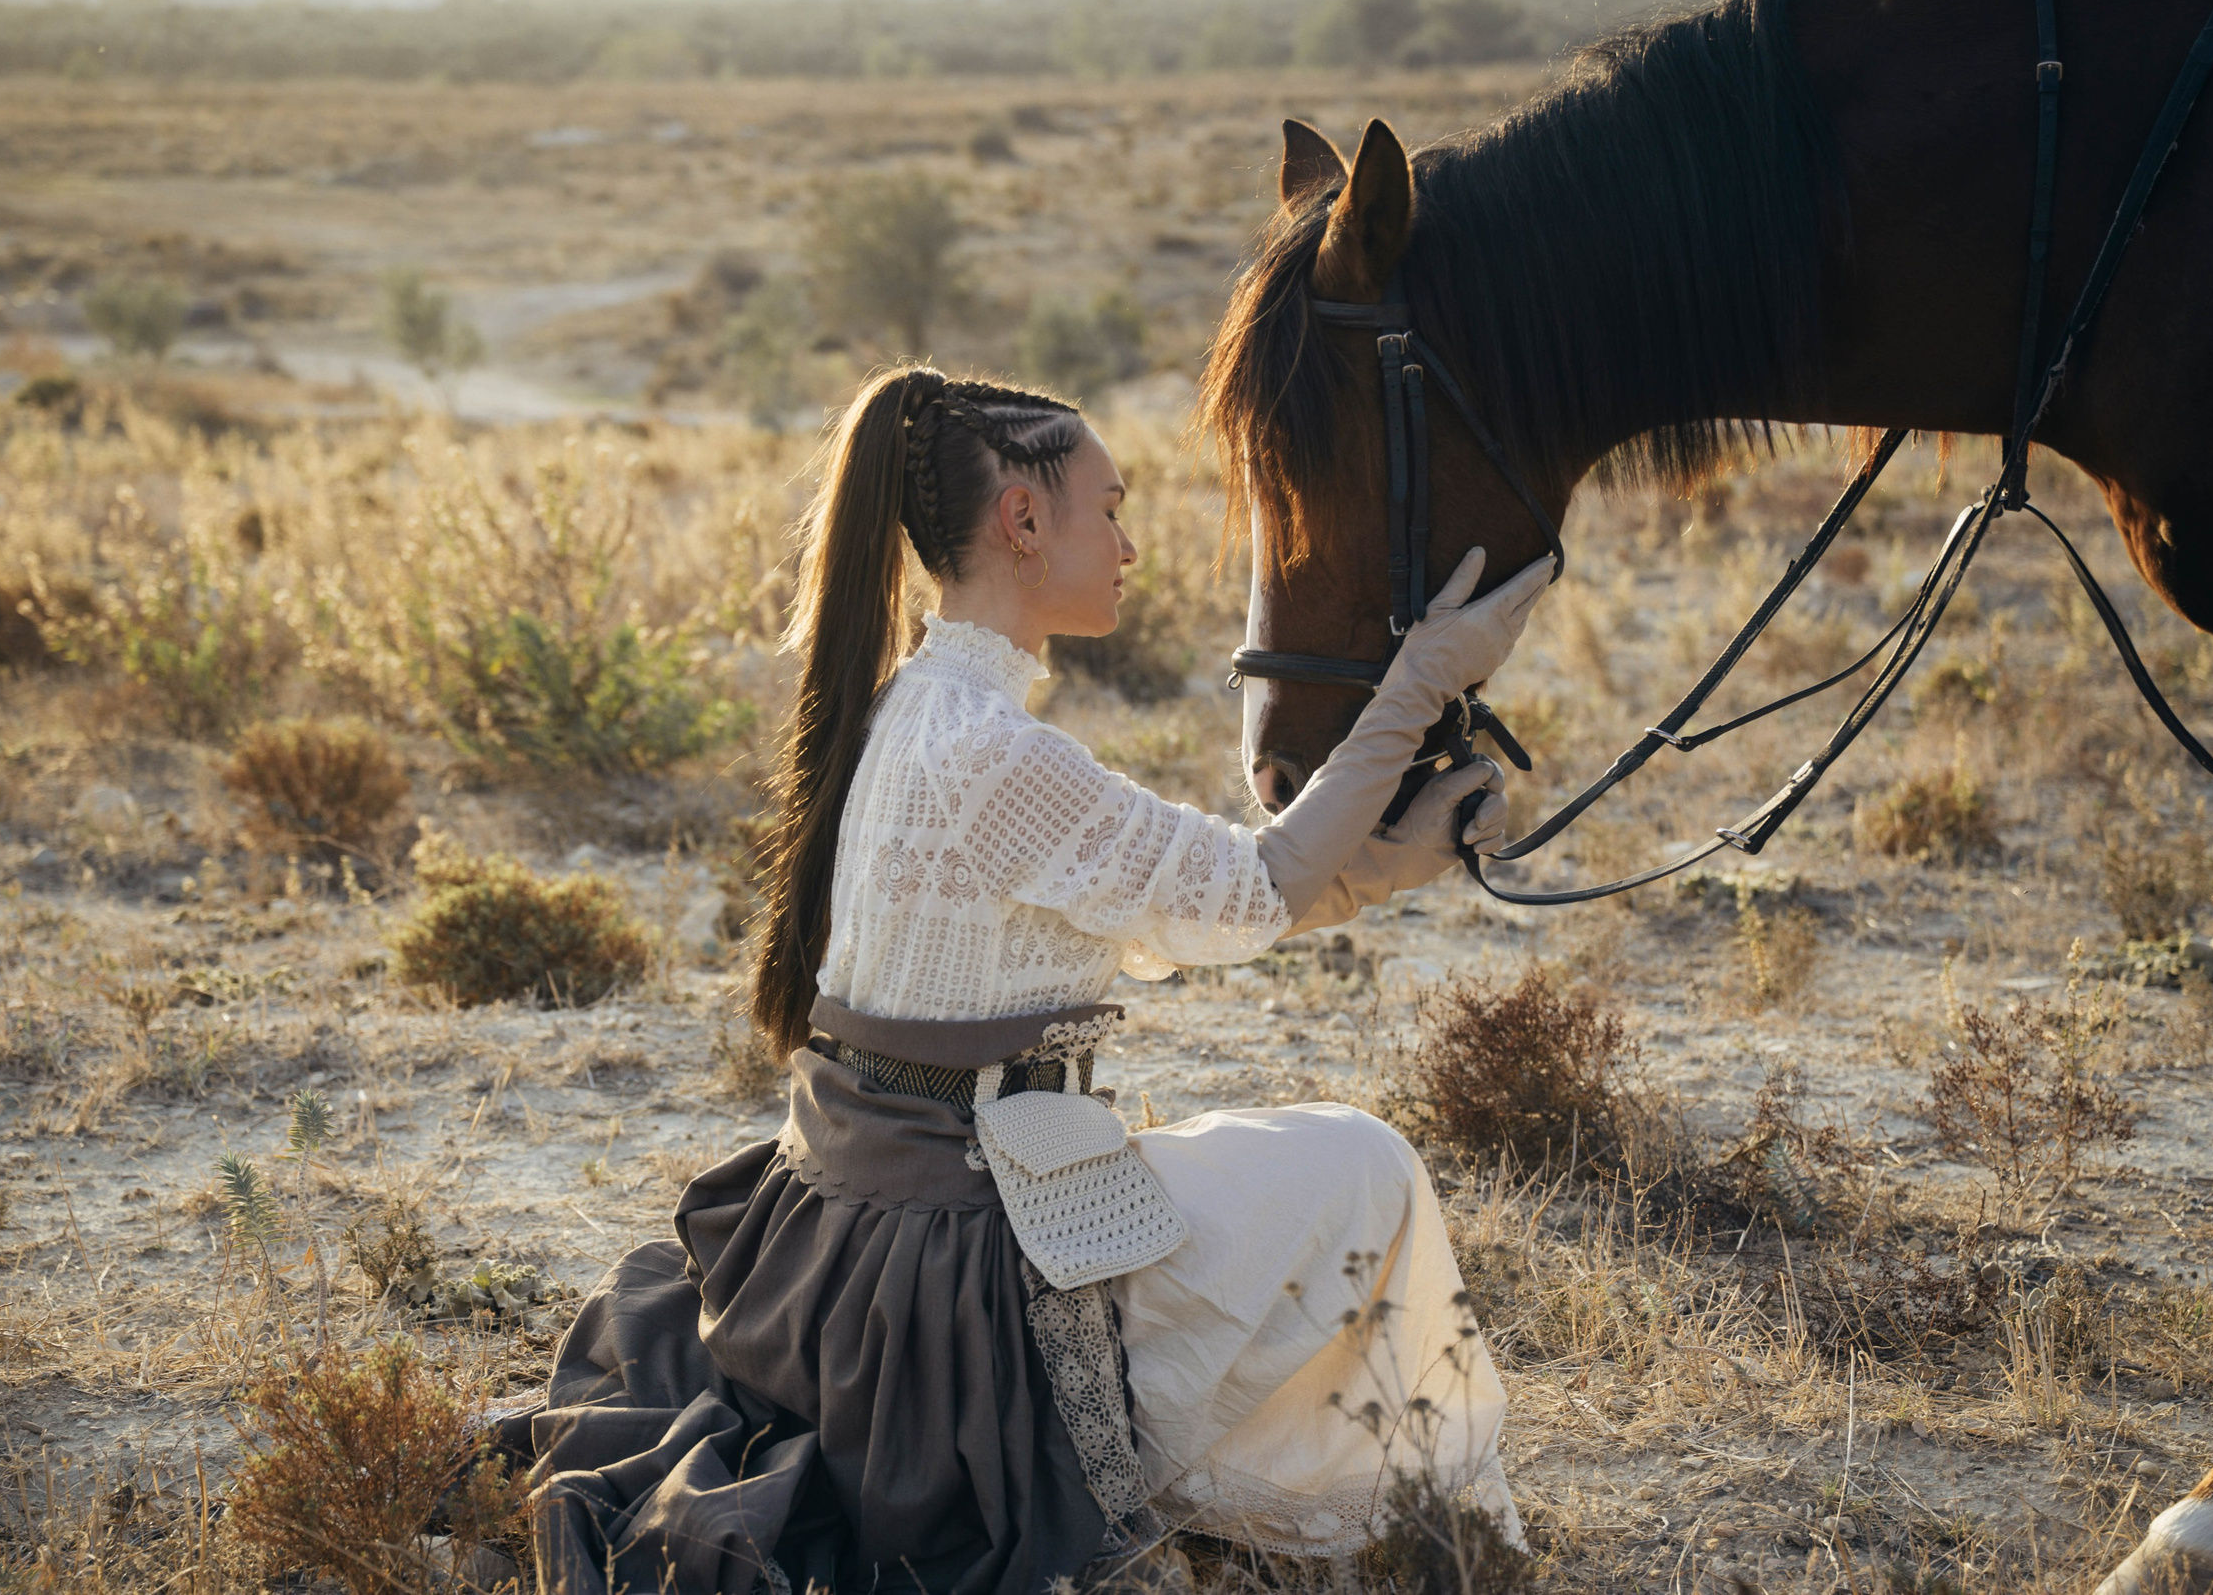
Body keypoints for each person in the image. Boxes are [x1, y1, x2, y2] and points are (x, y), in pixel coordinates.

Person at [512, 367, 1552, 1595]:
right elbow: (1250, 888)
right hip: (962, 1253)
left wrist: (1392, 858)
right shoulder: (997, 751)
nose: (1128, 545)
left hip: (870, 1225)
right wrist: (1422, 675)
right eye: (1106, 509)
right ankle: (1407, 1520)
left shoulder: (915, 708)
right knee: (1362, 1165)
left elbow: (1211, 895)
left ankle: (1322, 1498)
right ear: (1021, 519)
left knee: (1282, 1163)